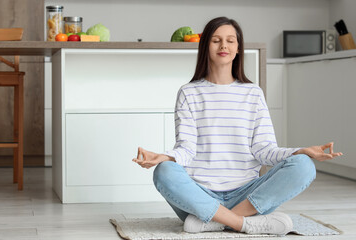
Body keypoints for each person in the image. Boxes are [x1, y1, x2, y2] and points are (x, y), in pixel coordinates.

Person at [132, 16, 343, 236]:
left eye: (230, 40)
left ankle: (216, 220)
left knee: (304, 165)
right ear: (205, 47)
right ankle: (242, 224)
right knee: (164, 172)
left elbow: (265, 151)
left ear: (238, 48)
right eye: (216, 40)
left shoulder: (253, 93)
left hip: (247, 197)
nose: (224, 45)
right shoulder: (189, 92)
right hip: (200, 196)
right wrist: (163, 157)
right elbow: (187, 149)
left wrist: (301, 151)